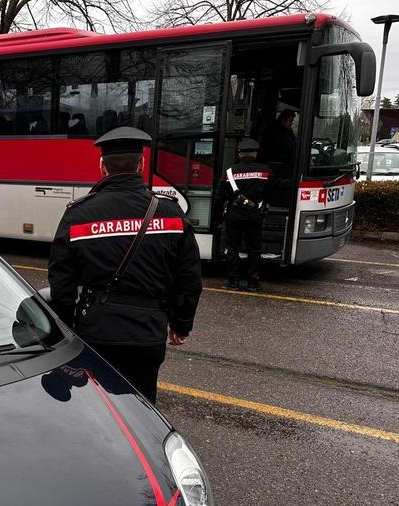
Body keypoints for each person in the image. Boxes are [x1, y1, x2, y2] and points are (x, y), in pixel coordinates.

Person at [48, 126, 203, 403]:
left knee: (98, 405)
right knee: (142, 405)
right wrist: (181, 324)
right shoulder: (170, 212)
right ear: (141, 164)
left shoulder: (79, 214)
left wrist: (67, 328)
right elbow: (189, 277)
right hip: (148, 334)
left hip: (96, 330)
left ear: (102, 166)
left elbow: (62, 282)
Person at [214, 137, 271, 291]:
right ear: (255, 154)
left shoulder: (229, 172)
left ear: (239, 154)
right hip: (254, 215)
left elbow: (219, 196)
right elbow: (274, 188)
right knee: (254, 249)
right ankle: (253, 282)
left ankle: (233, 282)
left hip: (234, 216)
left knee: (233, 248)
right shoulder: (264, 171)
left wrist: (217, 217)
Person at [259, 109, 297, 176]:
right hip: (277, 167)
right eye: (290, 121)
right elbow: (285, 147)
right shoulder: (274, 132)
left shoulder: (287, 132)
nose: (291, 123)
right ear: (283, 120)